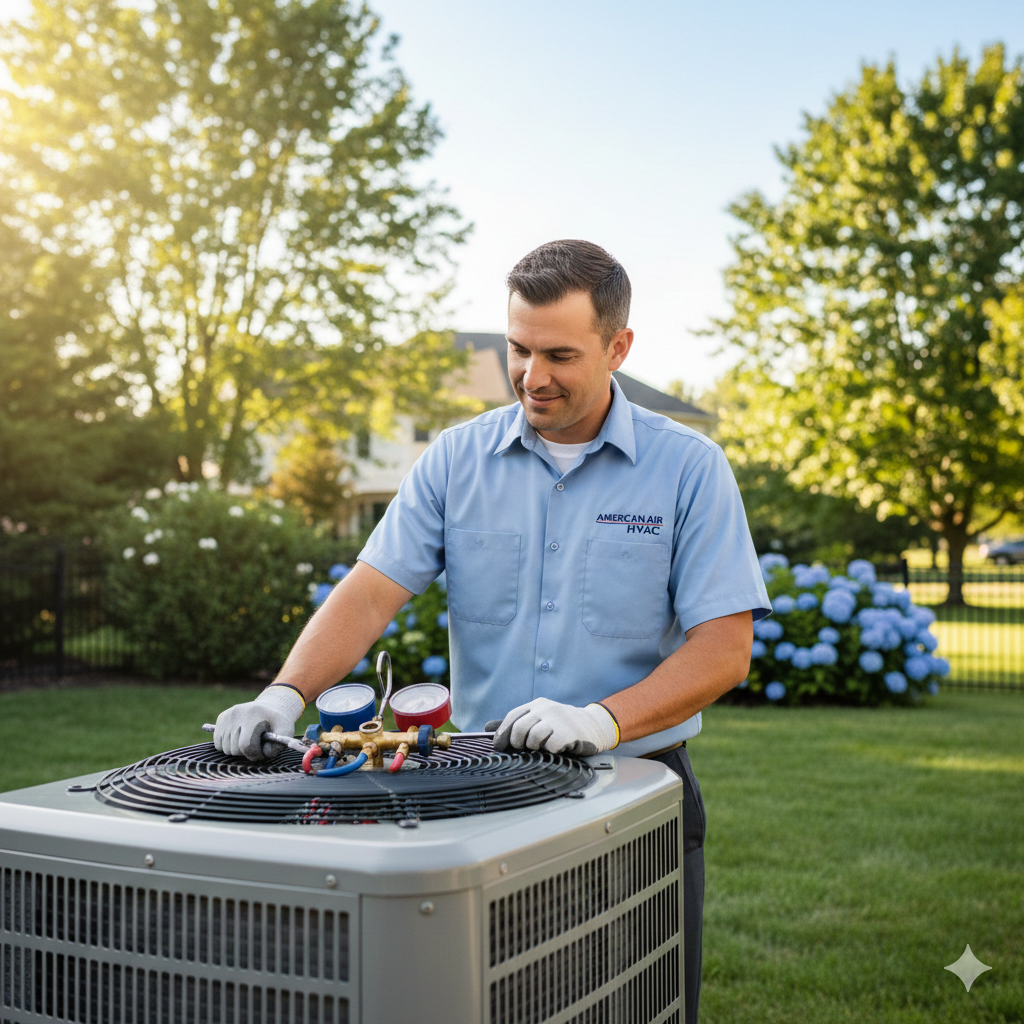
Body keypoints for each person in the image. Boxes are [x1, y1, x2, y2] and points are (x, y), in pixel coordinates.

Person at [214, 239, 771, 1023]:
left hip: (638, 790)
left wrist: (599, 720)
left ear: (619, 347)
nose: (531, 376)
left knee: (639, 1005)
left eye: (559, 354)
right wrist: (285, 693)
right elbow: (372, 592)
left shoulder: (689, 468)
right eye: (517, 348)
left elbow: (724, 648)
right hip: (481, 789)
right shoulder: (456, 458)